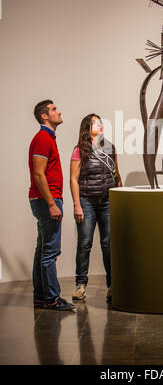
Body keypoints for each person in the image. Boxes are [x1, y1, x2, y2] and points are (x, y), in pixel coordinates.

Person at [29, 100, 75, 311]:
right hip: (48, 200)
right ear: (44, 116)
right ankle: (52, 298)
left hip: (46, 199)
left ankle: (41, 296)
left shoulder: (48, 138)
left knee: (42, 249)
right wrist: (51, 203)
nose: (60, 111)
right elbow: (39, 174)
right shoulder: (42, 139)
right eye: (55, 109)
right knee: (50, 251)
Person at [70, 114, 122, 302]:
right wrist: (77, 205)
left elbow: (116, 175)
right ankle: (81, 285)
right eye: (94, 123)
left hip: (107, 201)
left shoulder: (110, 147)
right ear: (87, 127)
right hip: (87, 202)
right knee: (84, 244)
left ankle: (112, 286)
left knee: (109, 245)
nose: (99, 125)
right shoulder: (79, 150)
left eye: (100, 122)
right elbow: (73, 180)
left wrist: (119, 198)